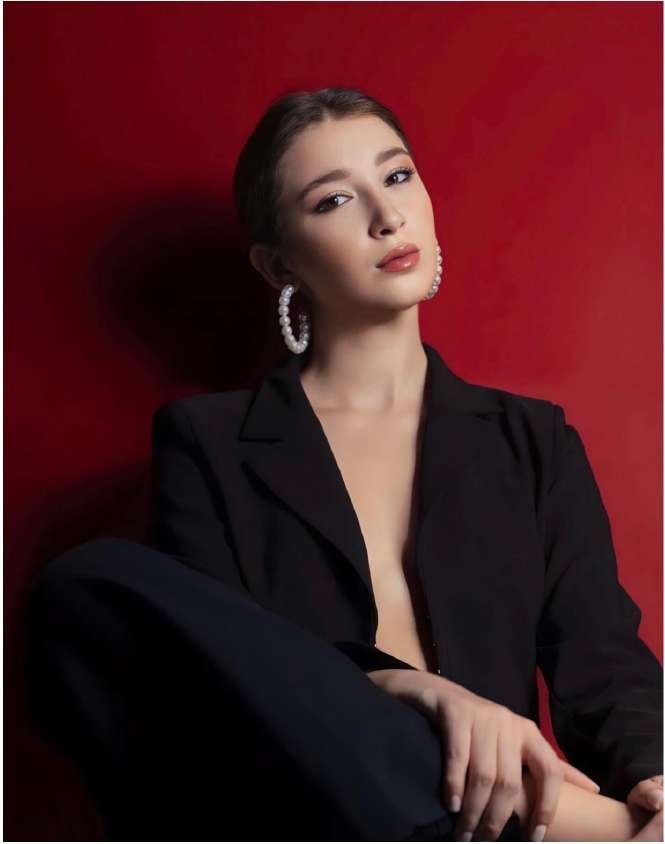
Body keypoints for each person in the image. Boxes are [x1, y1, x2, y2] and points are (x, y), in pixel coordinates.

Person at [23, 86, 662, 842]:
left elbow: (602, 662)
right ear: (277, 264)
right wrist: (404, 685)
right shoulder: (209, 441)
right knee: (85, 582)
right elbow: (223, 684)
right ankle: (597, 830)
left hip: (490, 822)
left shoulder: (531, 440)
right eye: (333, 200)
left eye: (397, 176)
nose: (387, 216)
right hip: (320, 821)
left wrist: (655, 784)